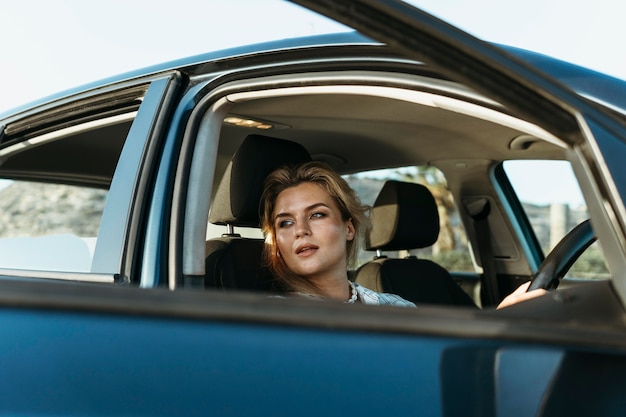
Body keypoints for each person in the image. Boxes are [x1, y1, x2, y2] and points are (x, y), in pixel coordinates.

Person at [260, 161, 546, 308]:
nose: (300, 230)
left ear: (348, 227)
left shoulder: (393, 305)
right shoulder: (270, 320)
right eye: (285, 223)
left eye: (317, 214)